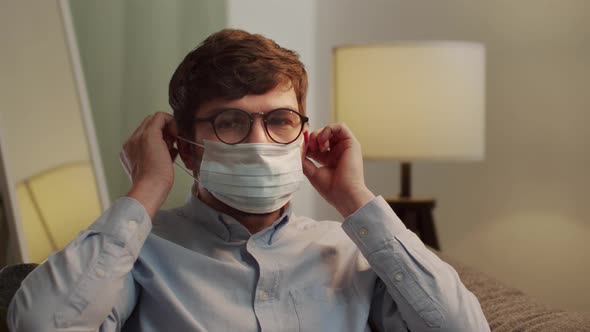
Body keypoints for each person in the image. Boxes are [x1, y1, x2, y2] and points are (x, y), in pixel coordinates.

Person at [8, 29, 489, 331]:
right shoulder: (137, 254)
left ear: (304, 133)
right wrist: (148, 187)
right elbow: (39, 323)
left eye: (280, 120)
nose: (260, 141)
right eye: (231, 122)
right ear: (185, 147)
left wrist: (356, 201)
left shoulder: (354, 252)